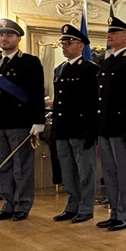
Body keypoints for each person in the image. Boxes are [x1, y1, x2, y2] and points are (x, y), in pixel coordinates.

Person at [0, 18, 46, 221]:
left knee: (22, 166)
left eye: (9, 35)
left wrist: (38, 119)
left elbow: (37, 92)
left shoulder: (29, 62)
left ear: (18, 38)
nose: (4, 38)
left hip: (20, 121)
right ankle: (8, 204)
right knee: (3, 165)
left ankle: (22, 204)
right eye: (0, 35)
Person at [51, 24, 100, 223]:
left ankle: (86, 207)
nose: (64, 46)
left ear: (80, 45)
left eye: (69, 43)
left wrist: (91, 129)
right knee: (68, 171)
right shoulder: (59, 69)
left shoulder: (90, 69)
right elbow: (58, 101)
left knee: (85, 170)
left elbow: (93, 101)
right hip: (63, 128)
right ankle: (72, 205)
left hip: (81, 128)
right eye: (63, 43)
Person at [96, 14, 126, 232]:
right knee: (110, 173)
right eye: (109, 32)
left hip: (122, 125)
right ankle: (114, 212)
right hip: (105, 125)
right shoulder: (106, 62)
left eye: (115, 33)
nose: (109, 36)